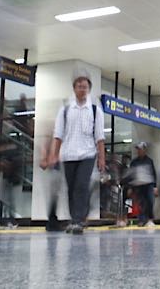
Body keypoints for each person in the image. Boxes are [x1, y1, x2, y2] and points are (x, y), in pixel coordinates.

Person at [47, 71, 106, 235]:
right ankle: (74, 219)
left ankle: (79, 221)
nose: (82, 89)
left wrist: (101, 158)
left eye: (85, 87)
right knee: (71, 188)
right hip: (68, 154)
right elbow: (58, 135)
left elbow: (100, 137)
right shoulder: (65, 110)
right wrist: (54, 155)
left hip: (87, 154)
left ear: (89, 89)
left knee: (81, 186)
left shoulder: (95, 110)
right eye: (79, 86)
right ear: (74, 88)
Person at [128, 141, 157, 227]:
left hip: (148, 184)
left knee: (150, 201)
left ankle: (150, 219)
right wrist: (130, 187)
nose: (139, 151)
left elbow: (153, 173)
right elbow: (131, 175)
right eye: (138, 149)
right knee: (141, 203)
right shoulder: (134, 162)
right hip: (138, 185)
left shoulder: (149, 161)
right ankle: (142, 219)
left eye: (140, 149)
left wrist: (155, 186)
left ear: (144, 150)